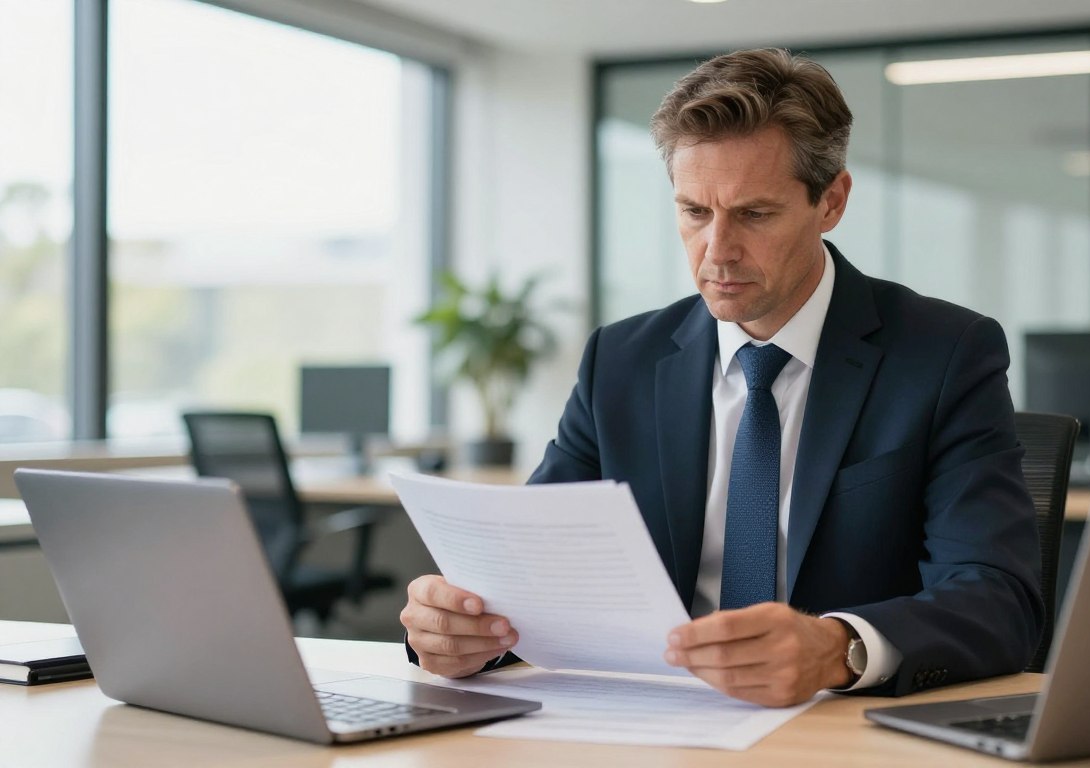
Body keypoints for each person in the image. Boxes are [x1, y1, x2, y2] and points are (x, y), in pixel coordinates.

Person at [401, 48, 1043, 708]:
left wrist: (840, 647)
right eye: (694, 212)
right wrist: (461, 628)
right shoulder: (620, 361)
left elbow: (1001, 599)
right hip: (648, 722)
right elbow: (529, 578)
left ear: (832, 202)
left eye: (755, 214)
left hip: (835, 729)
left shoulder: (943, 354)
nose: (717, 250)